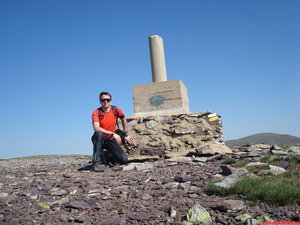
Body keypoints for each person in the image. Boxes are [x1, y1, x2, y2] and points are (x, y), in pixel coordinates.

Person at [91, 91, 134, 172]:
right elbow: (96, 128)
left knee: (123, 160)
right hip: (100, 139)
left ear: (111, 100)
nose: (105, 102)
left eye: (108, 100)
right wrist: (113, 133)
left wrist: (126, 134)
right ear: (100, 101)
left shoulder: (116, 110)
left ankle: (105, 157)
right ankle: (96, 162)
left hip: (110, 140)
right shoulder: (96, 112)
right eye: (103, 100)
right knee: (99, 134)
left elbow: (123, 119)